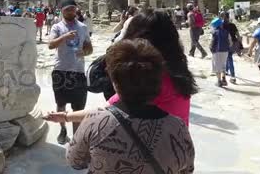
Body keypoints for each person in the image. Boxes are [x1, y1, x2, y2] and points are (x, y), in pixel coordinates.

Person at [46, 10, 198, 126]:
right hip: (178, 153)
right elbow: (110, 107)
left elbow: (107, 111)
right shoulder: (177, 69)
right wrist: (66, 117)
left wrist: (66, 117)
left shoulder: (149, 77)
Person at [65, 39, 195, 173]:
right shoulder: (178, 128)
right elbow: (187, 169)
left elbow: (74, 161)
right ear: (158, 80)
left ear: (114, 81)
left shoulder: (95, 121)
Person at [48, 0, 93, 144]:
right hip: (61, 70)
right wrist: (65, 36)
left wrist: (85, 52)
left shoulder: (83, 27)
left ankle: (76, 139)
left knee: (78, 107)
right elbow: (50, 45)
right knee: (61, 104)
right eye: (68, 9)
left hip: (78, 71)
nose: (71, 12)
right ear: (62, 10)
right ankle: (62, 129)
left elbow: (89, 47)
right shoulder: (57, 27)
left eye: (73, 9)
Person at [210, 17, 232, 87]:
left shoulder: (214, 32)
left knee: (217, 66)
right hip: (225, 51)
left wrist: (211, 49)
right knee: (223, 65)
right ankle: (224, 79)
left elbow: (212, 42)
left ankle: (219, 81)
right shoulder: (226, 32)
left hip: (217, 51)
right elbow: (230, 42)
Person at [222, 12, 241, 84]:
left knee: (229, 58)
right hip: (233, 44)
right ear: (228, 17)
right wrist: (239, 44)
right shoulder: (233, 25)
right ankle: (227, 70)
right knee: (228, 57)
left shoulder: (221, 25)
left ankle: (233, 76)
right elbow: (238, 35)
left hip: (225, 44)